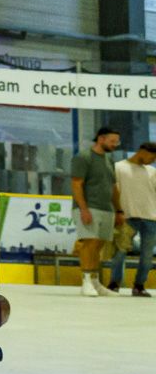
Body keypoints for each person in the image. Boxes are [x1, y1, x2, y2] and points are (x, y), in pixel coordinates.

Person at [70, 127, 124, 297]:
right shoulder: (83, 157)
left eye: (117, 142)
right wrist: (83, 209)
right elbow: (76, 184)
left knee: (99, 245)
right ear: (101, 139)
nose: (115, 144)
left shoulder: (109, 160)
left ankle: (95, 281)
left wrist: (119, 210)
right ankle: (86, 281)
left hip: (107, 208)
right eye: (112, 141)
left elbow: (113, 187)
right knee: (90, 243)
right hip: (89, 207)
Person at [109, 141, 156, 296]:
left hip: (150, 218)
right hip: (126, 217)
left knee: (147, 256)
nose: (153, 161)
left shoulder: (152, 172)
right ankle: (114, 283)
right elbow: (113, 191)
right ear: (143, 151)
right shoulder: (118, 167)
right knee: (119, 252)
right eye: (152, 157)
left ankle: (139, 285)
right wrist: (117, 211)